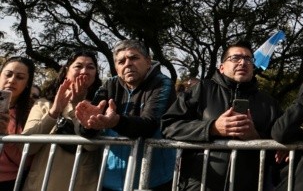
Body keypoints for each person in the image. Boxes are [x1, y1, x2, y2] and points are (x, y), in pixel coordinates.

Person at [161, 40, 281, 191]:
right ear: (222, 67)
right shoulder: (202, 90)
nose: (243, 62)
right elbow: (169, 125)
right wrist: (212, 128)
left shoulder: (269, 103)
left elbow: (281, 145)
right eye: (235, 58)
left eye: (248, 59)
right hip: (199, 185)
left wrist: (255, 138)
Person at [76, 40, 176, 191]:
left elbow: (149, 124)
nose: (128, 64)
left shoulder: (163, 83)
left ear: (148, 61)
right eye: (121, 61)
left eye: (134, 58)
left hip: (152, 181)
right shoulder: (109, 85)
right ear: (116, 68)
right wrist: (88, 124)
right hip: (109, 181)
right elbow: (86, 128)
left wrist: (116, 121)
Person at [23, 51, 103, 191]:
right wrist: (54, 112)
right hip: (41, 184)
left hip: (81, 185)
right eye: (78, 66)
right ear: (66, 71)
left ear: (95, 74)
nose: (84, 71)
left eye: (90, 67)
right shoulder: (44, 104)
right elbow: (27, 148)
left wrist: (76, 106)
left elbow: (92, 146)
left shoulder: (100, 105)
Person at [0, 57, 35, 191]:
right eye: (8, 74)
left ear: (27, 83)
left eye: (20, 77)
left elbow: (26, 161)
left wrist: (5, 136)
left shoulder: (31, 113)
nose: (12, 80)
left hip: (10, 182)